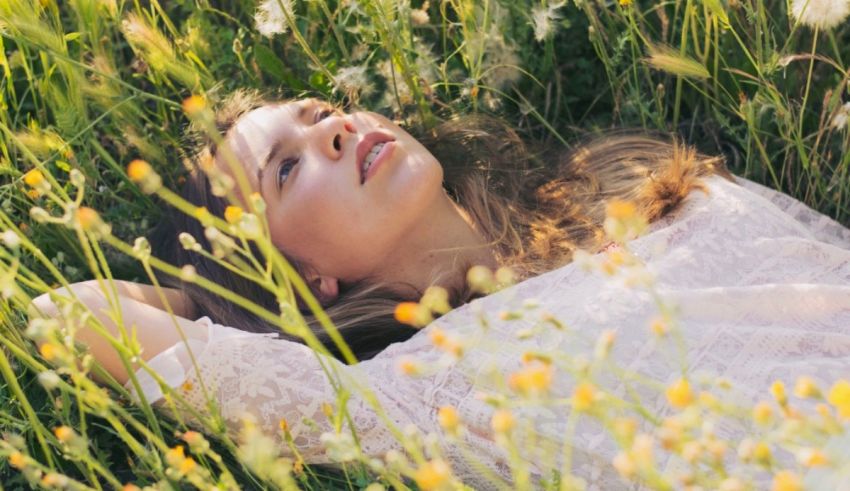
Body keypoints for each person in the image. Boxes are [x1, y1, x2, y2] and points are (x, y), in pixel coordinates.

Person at [30, 91, 850, 488]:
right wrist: (213, 299)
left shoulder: (628, 182)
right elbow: (72, 314)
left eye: (318, 112)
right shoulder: (407, 395)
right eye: (287, 168)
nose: (334, 130)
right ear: (302, 279)